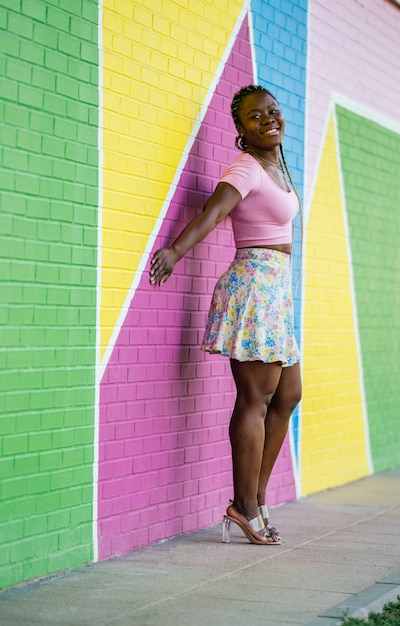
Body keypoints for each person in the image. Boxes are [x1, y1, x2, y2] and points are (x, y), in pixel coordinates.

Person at [150, 85, 302, 545]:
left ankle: (253, 496)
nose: (268, 119)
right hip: (254, 288)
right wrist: (175, 251)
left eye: (272, 111)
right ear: (241, 129)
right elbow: (214, 211)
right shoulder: (245, 167)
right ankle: (246, 507)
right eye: (255, 117)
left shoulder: (276, 166)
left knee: (288, 394)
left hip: (276, 291)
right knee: (255, 400)